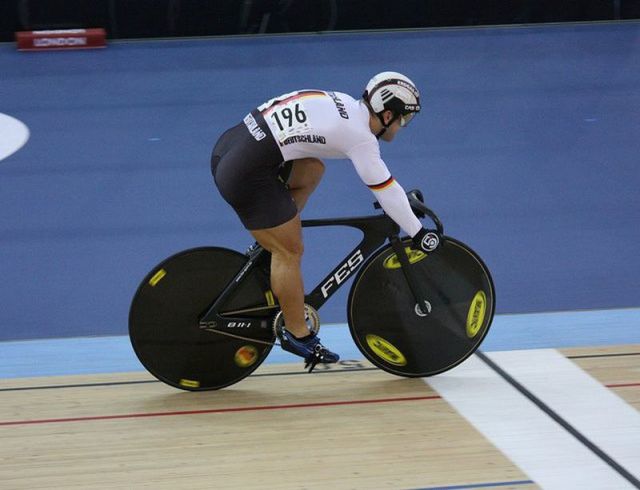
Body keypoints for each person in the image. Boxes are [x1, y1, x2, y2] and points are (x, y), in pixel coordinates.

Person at [210, 71, 437, 370]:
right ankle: (296, 333)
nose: (402, 126)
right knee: (290, 250)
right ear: (387, 114)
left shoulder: (345, 103)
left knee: (313, 169)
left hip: (231, 146)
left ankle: (273, 235)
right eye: (403, 120)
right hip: (247, 171)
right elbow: (386, 191)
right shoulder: (361, 139)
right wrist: (420, 233)